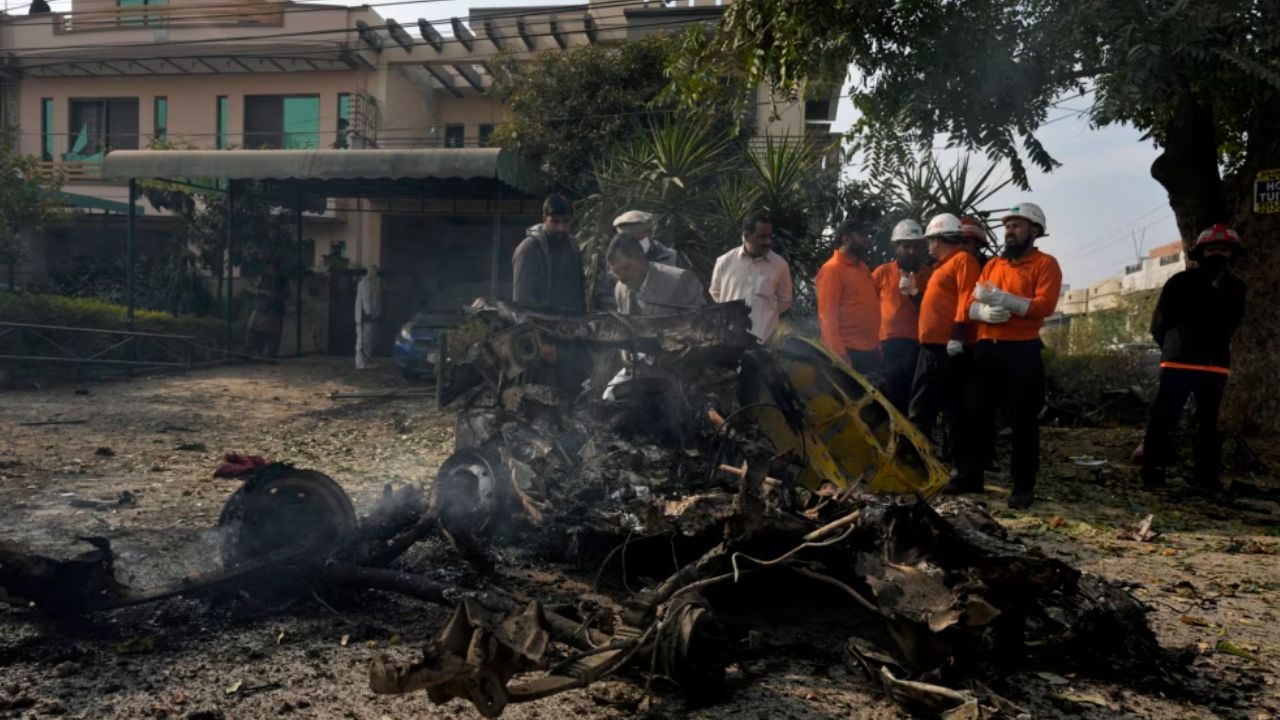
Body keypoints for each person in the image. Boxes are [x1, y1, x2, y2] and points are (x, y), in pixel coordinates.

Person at [957, 201, 1062, 509]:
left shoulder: (1046, 264)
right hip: (987, 348)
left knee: (1023, 421)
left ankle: (1023, 485)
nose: (1009, 231)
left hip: (1022, 350)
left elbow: (1045, 306)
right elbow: (969, 304)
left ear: (1034, 230)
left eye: (1017, 225)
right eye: (1007, 226)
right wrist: (983, 312)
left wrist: (1007, 300)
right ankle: (970, 477)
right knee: (975, 414)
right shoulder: (993, 265)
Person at [1139, 224, 1246, 503]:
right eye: (1213, 249)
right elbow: (1159, 323)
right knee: (1165, 417)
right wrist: (1174, 349)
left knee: (1208, 423)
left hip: (1216, 365)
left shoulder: (1236, 288)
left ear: (1232, 254)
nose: (1218, 254)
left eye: (1224, 249)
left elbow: (1233, 323)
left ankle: (1205, 477)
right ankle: (1153, 471)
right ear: (1201, 252)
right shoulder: (1180, 282)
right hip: (1179, 362)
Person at [908, 213, 981, 462]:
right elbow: (937, 307)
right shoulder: (942, 267)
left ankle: (957, 469)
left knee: (953, 411)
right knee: (922, 409)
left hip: (948, 349)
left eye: (930, 241)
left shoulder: (962, 261)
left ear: (939, 239)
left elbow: (967, 298)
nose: (928, 246)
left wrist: (958, 335)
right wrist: (915, 295)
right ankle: (924, 463)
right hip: (932, 347)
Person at [872, 219, 930, 412]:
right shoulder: (882, 273)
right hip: (889, 344)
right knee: (891, 398)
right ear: (896, 247)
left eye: (915, 246)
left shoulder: (927, 275)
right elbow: (867, 307)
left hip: (917, 344)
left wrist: (916, 294)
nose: (911, 251)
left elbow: (934, 310)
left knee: (914, 398)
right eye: (906, 246)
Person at [709, 212, 794, 342]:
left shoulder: (780, 265)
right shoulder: (724, 262)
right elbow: (716, 294)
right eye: (762, 237)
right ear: (746, 236)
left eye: (770, 236)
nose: (768, 242)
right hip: (728, 341)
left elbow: (785, 301)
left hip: (764, 343)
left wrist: (764, 315)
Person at [815, 218, 882, 379]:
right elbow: (827, 317)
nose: (868, 240)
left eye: (868, 235)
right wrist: (839, 354)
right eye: (862, 235)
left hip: (869, 351)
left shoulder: (863, 268)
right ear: (846, 239)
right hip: (848, 352)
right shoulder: (832, 270)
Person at [595, 210, 690, 311]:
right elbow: (605, 297)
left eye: (637, 239)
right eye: (627, 242)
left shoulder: (670, 257)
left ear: (649, 234)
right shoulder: (615, 261)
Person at [512, 194, 585, 313]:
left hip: (572, 323)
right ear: (545, 219)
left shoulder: (573, 246)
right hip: (540, 323)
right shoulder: (528, 249)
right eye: (555, 222)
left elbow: (579, 291)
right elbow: (522, 301)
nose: (561, 228)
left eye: (566, 221)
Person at [609, 234, 706, 316]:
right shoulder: (620, 289)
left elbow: (698, 324)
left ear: (641, 258)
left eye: (625, 268)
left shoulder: (679, 280)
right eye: (616, 272)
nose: (621, 278)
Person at [244, 260, 289, 358]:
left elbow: (287, 294)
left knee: (274, 336)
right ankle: (248, 354)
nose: (273, 270)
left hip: (275, 311)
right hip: (260, 308)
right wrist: (263, 293)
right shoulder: (262, 278)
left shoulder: (283, 280)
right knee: (251, 330)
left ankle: (271, 356)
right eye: (271, 268)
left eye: (275, 269)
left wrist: (277, 295)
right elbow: (252, 290)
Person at [354, 264, 381, 370]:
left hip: (368, 317)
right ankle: (361, 363)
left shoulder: (373, 282)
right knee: (363, 340)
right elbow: (366, 300)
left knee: (368, 340)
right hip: (364, 317)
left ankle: (366, 361)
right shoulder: (365, 283)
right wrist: (369, 313)